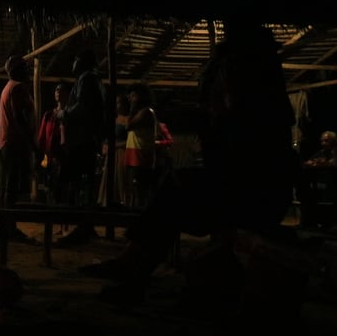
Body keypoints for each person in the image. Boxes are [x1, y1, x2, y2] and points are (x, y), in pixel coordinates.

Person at [80, 20, 301, 309]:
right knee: (176, 187)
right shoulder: (262, 85)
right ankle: (132, 267)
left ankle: (133, 271)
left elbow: (236, 141)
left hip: (253, 194)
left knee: (176, 189)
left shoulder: (247, 87)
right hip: (256, 189)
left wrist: (206, 121)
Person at [55, 48, 106, 245]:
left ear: (83, 61)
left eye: (76, 58)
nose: (73, 62)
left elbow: (83, 107)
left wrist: (64, 114)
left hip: (82, 140)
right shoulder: (94, 80)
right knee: (84, 181)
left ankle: (81, 226)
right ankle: (84, 225)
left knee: (77, 182)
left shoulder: (87, 79)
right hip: (88, 138)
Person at [0, 55, 38, 243]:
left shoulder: (8, 88)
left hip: (8, 143)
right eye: (24, 67)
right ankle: (9, 228)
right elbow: (20, 118)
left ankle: (8, 226)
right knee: (11, 187)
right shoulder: (17, 88)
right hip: (14, 143)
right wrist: (32, 144)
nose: (27, 71)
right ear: (16, 70)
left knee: (9, 186)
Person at [123, 83, 157, 208]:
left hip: (140, 156)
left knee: (139, 191)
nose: (130, 99)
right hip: (136, 155)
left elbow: (128, 125)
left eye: (132, 95)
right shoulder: (143, 111)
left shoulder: (146, 112)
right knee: (135, 189)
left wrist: (132, 106)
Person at [35, 84, 68, 204]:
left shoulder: (70, 113)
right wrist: (40, 153)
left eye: (61, 90)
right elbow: (42, 136)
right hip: (51, 152)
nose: (58, 92)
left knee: (63, 183)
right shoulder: (49, 115)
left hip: (64, 152)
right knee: (50, 182)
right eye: (56, 90)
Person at [97, 91, 129, 207]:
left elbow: (129, 140)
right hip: (111, 152)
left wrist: (115, 146)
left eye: (118, 103)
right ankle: (107, 202)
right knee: (108, 177)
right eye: (115, 103)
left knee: (120, 178)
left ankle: (122, 202)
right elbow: (108, 136)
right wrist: (105, 145)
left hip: (120, 153)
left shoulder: (128, 119)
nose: (116, 105)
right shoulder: (114, 120)